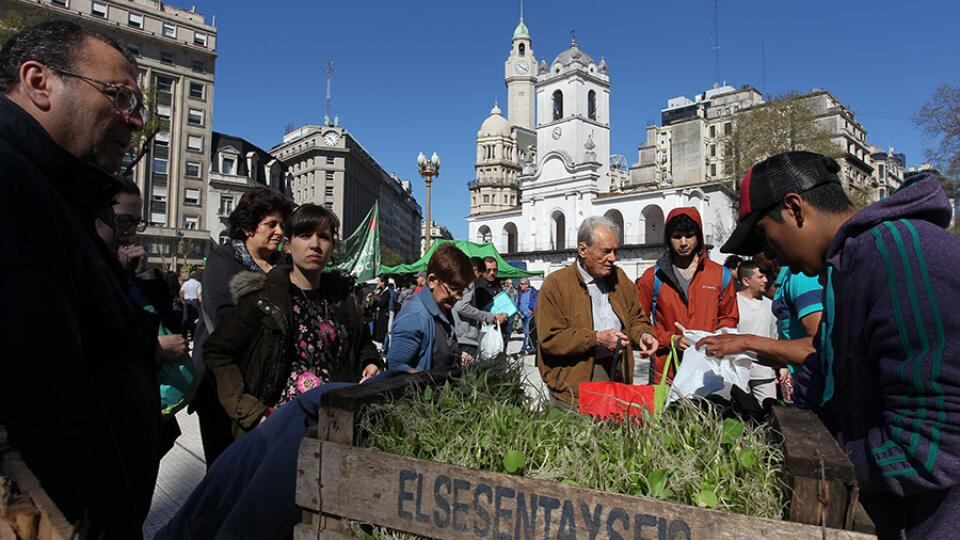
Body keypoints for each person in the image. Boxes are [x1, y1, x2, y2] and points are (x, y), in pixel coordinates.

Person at [719, 151, 960, 538]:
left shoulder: (900, 255)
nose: (767, 258)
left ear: (795, 208)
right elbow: (828, 366)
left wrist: (829, 464)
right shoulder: (846, 269)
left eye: (765, 235)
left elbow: (933, 445)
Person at [0, 20, 160, 537]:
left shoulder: (56, 194)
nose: (133, 121)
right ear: (39, 81)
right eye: (118, 96)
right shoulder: (11, 181)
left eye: (137, 105)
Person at [203, 204, 381, 459]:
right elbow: (217, 351)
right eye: (305, 235)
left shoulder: (343, 300)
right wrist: (250, 411)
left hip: (333, 430)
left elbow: (362, 342)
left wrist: (370, 361)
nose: (315, 244)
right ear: (287, 245)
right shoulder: (262, 299)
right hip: (279, 433)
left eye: (324, 237)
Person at [190, 186, 295, 465]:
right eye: (271, 224)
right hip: (222, 385)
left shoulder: (284, 265)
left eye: (283, 224)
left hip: (268, 385)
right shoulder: (222, 260)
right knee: (224, 468)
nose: (279, 231)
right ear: (249, 227)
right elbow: (225, 316)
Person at [94, 179, 193, 456]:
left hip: (147, 418)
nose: (130, 233)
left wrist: (142, 276)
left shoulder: (133, 274)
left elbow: (168, 322)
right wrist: (155, 349)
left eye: (137, 223)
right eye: (124, 221)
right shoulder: (86, 270)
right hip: (109, 422)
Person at [536, 216, 658, 406]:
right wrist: (597, 338)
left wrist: (642, 335)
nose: (613, 258)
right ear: (583, 250)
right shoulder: (556, 285)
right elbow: (550, 339)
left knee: (613, 434)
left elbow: (636, 319)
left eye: (615, 251)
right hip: (573, 387)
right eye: (606, 251)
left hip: (617, 377)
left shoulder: (619, 278)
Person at [636, 208, 738, 383]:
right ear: (668, 238)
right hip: (667, 371)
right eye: (677, 236)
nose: (683, 242)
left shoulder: (720, 275)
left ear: (698, 237)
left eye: (689, 235)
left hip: (709, 368)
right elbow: (638, 322)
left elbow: (729, 317)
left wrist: (717, 339)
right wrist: (670, 339)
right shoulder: (652, 277)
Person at [387, 244, 477, 372]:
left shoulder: (443, 309)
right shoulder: (414, 317)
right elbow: (395, 367)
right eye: (454, 289)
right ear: (432, 280)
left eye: (462, 290)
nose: (459, 297)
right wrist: (423, 380)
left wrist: (457, 356)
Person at [732, 261, 778, 401]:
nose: (765, 280)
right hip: (738, 370)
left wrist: (780, 366)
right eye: (760, 277)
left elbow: (775, 337)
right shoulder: (733, 303)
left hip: (765, 373)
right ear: (746, 281)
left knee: (769, 412)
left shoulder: (771, 305)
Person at [453, 257, 508, 359]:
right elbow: (462, 306)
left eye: (495, 270)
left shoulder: (497, 285)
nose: (479, 276)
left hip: (466, 336)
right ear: (475, 269)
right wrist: (488, 317)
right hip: (467, 337)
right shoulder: (470, 283)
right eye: (485, 271)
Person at [517, 277, 539, 354]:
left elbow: (535, 301)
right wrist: (518, 310)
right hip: (522, 315)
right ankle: (532, 347)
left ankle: (525, 348)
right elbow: (518, 302)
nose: (520, 285)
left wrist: (531, 310)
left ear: (527, 284)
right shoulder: (520, 293)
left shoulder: (532, 292)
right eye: (520, 284)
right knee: (527, 332)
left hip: (529, 315)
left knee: (527, 332)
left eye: (522, 284)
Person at [179, 270, 202, 338]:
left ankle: (184, 335)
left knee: (186, 318)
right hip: (195, 301)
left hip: (187, 301)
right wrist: (201, 303)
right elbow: (199, 294)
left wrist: (182, 300)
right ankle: (194, 334)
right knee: (195, 319)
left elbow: (181, 292)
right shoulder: (198, 283)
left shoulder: (185, 283)